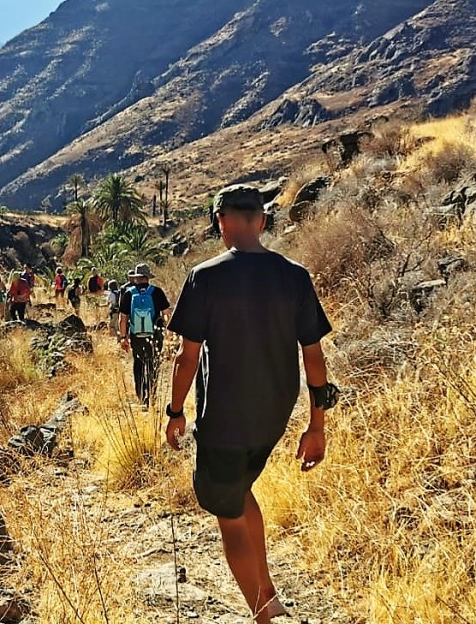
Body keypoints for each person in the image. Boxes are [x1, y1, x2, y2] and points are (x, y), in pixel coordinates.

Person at [163, 184, 336, 624]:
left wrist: (175, 411)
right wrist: (317, 427)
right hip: (274, 415)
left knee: (226, 511)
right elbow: (314, 357)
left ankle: (263, 613)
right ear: (261, 221)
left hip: (224, 417)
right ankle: (269, 593)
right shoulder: (294, 275)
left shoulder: (206, 276)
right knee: (240, 493)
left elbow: (187, 356)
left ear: (221, 221)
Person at [119, 263, 171, 405]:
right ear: (148, 277)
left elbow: (123, 319)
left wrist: (123, 338)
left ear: (136, 278)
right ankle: (152, 396)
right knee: (153, 364)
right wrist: (168, 333)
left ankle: (142, 398)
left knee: (139, 365)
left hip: (136, 336)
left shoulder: (129, 293)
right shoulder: (157, 292)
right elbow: (167, 314)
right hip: (154, 335)